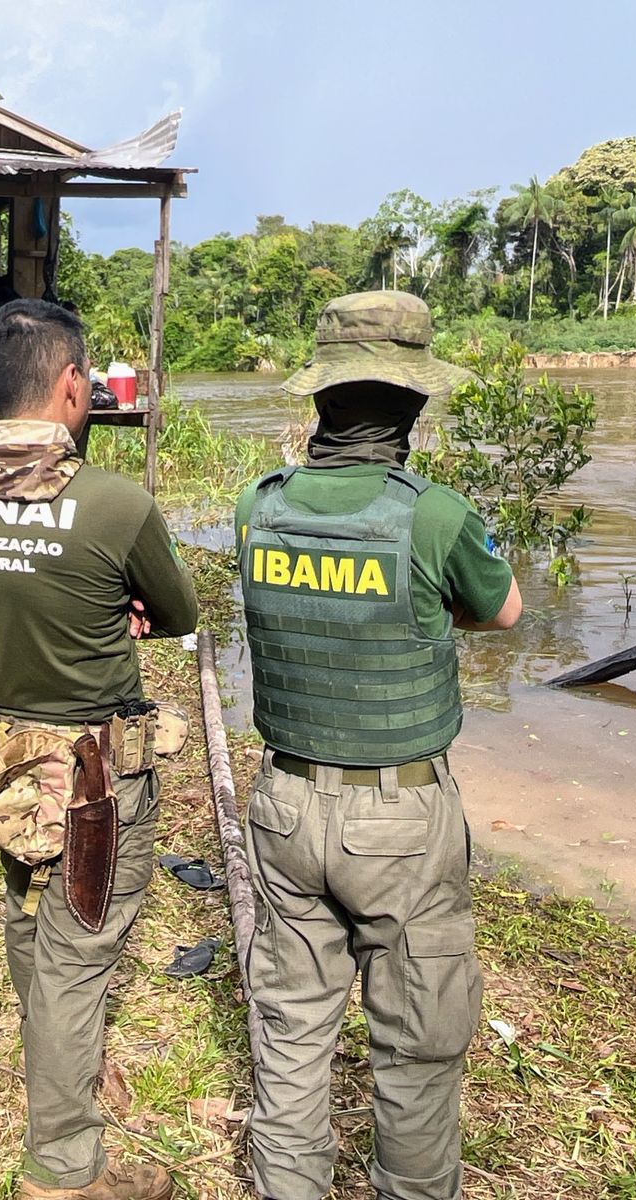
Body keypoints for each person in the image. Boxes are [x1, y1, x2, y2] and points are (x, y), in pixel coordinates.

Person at [233, 291, 523, 1200]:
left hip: (282, 804)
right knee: (418, 1046)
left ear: (320, 401)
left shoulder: (257, 505)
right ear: (414, 404)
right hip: (400, 816)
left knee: (292, 1037)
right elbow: (505, 612)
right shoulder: (435, 516)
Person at [0, 300, 198, 1200]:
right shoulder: (116, 504)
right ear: (75, 384)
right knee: (79, 954)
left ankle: (59, 1077)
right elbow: (182, 614)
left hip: (3, 767)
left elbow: (5, 603)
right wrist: (111, 602)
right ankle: (64, 1167)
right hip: (92, 779)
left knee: (28, 920)